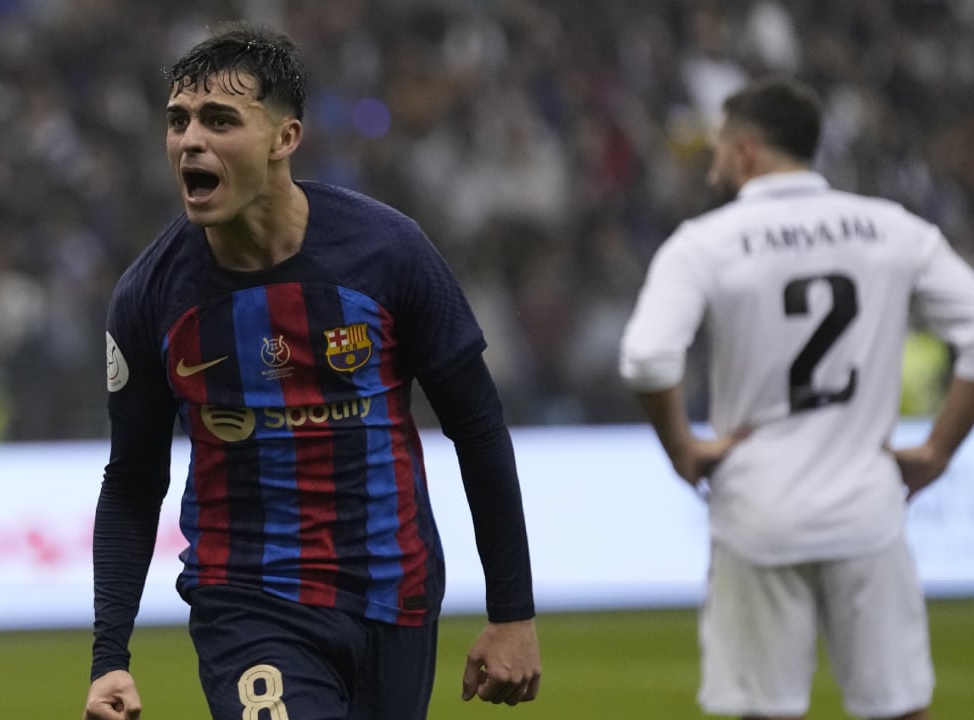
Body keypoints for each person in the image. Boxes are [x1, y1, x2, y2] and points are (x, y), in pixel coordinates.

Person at [82, 23, 541, 720]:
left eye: (219, 120)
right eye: (178, 121)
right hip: (249, 603)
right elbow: (132, 481)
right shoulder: (150, 295)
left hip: (395, 592)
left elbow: (476, 426)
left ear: (284, 138)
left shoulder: (389, 254)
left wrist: (512, 614)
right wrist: (109, 656)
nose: (189, 141)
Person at [619, 75, 974, 720]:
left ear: (749, 150)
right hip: (867, 505)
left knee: (765, 710)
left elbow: (647, 356)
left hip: (758, 509)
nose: (715, 160)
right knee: (900, 709)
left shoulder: (704, 244)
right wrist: (939, 450)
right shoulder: (892, 228)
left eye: (721, 146)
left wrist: (684, 451)